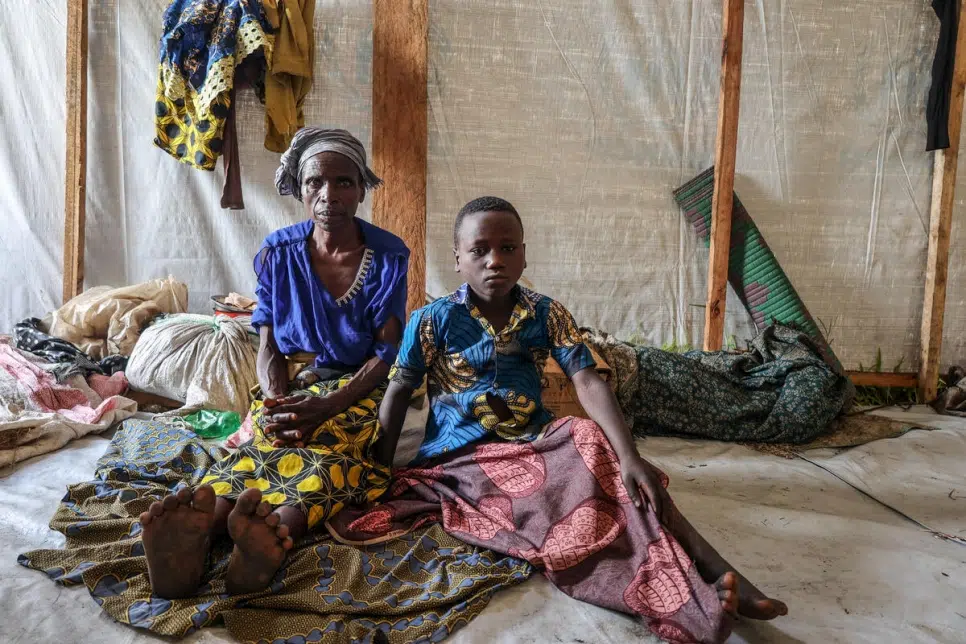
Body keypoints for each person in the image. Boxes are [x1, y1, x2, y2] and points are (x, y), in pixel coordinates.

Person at [368, 197, 787, 643]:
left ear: (524, 254)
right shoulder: (431, 320)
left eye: (508, 248)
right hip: (463, 459)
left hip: (538, 442)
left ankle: (707, 568)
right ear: (457, 258)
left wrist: (630, 456)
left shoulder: (546, 312)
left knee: (606, 458)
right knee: (573, 515)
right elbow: (397, 392)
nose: (495, 260)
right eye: (479, 250)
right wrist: (376, 470)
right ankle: (693, 595)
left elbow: (587, 380)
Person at [138, 128, 409, 599]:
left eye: (344, 182)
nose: (329, 196)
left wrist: (327, 407)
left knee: (330, 453)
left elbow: (387, 353)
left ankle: (266, 535)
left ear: (362, 188)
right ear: (299, 188)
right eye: (316, 184)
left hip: (357, 390)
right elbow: (268, 346)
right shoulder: (279, 252)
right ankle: (204, 527)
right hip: (296, 384)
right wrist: (278, 401)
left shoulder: (388, 256)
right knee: (262, 444)